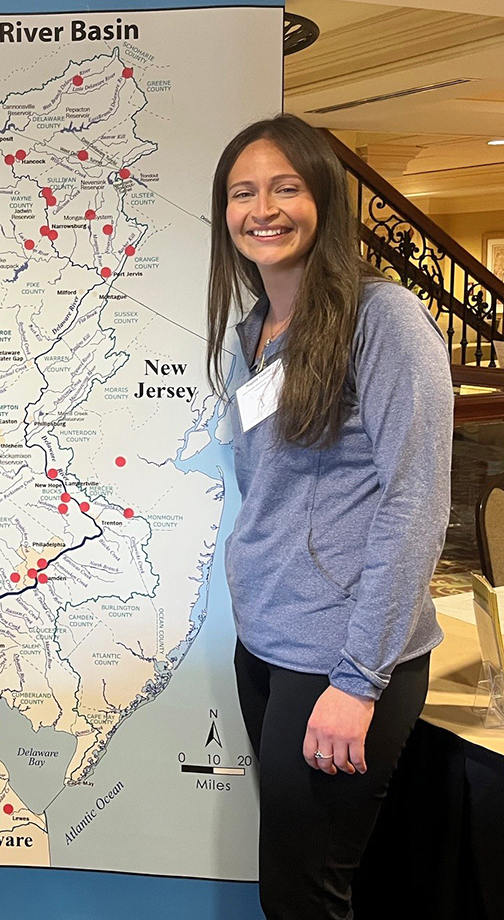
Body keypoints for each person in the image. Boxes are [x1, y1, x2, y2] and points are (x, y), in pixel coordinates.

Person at [205, 114, 453, 919]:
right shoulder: (256, 331)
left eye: (286, 186)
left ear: (325, 200)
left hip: (340, 660)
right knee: (321, 878)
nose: (262, 208)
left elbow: (415, 498)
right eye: (244, 192)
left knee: (302, 895)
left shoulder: (383, 320)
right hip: (267, 647)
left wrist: (358, 680)